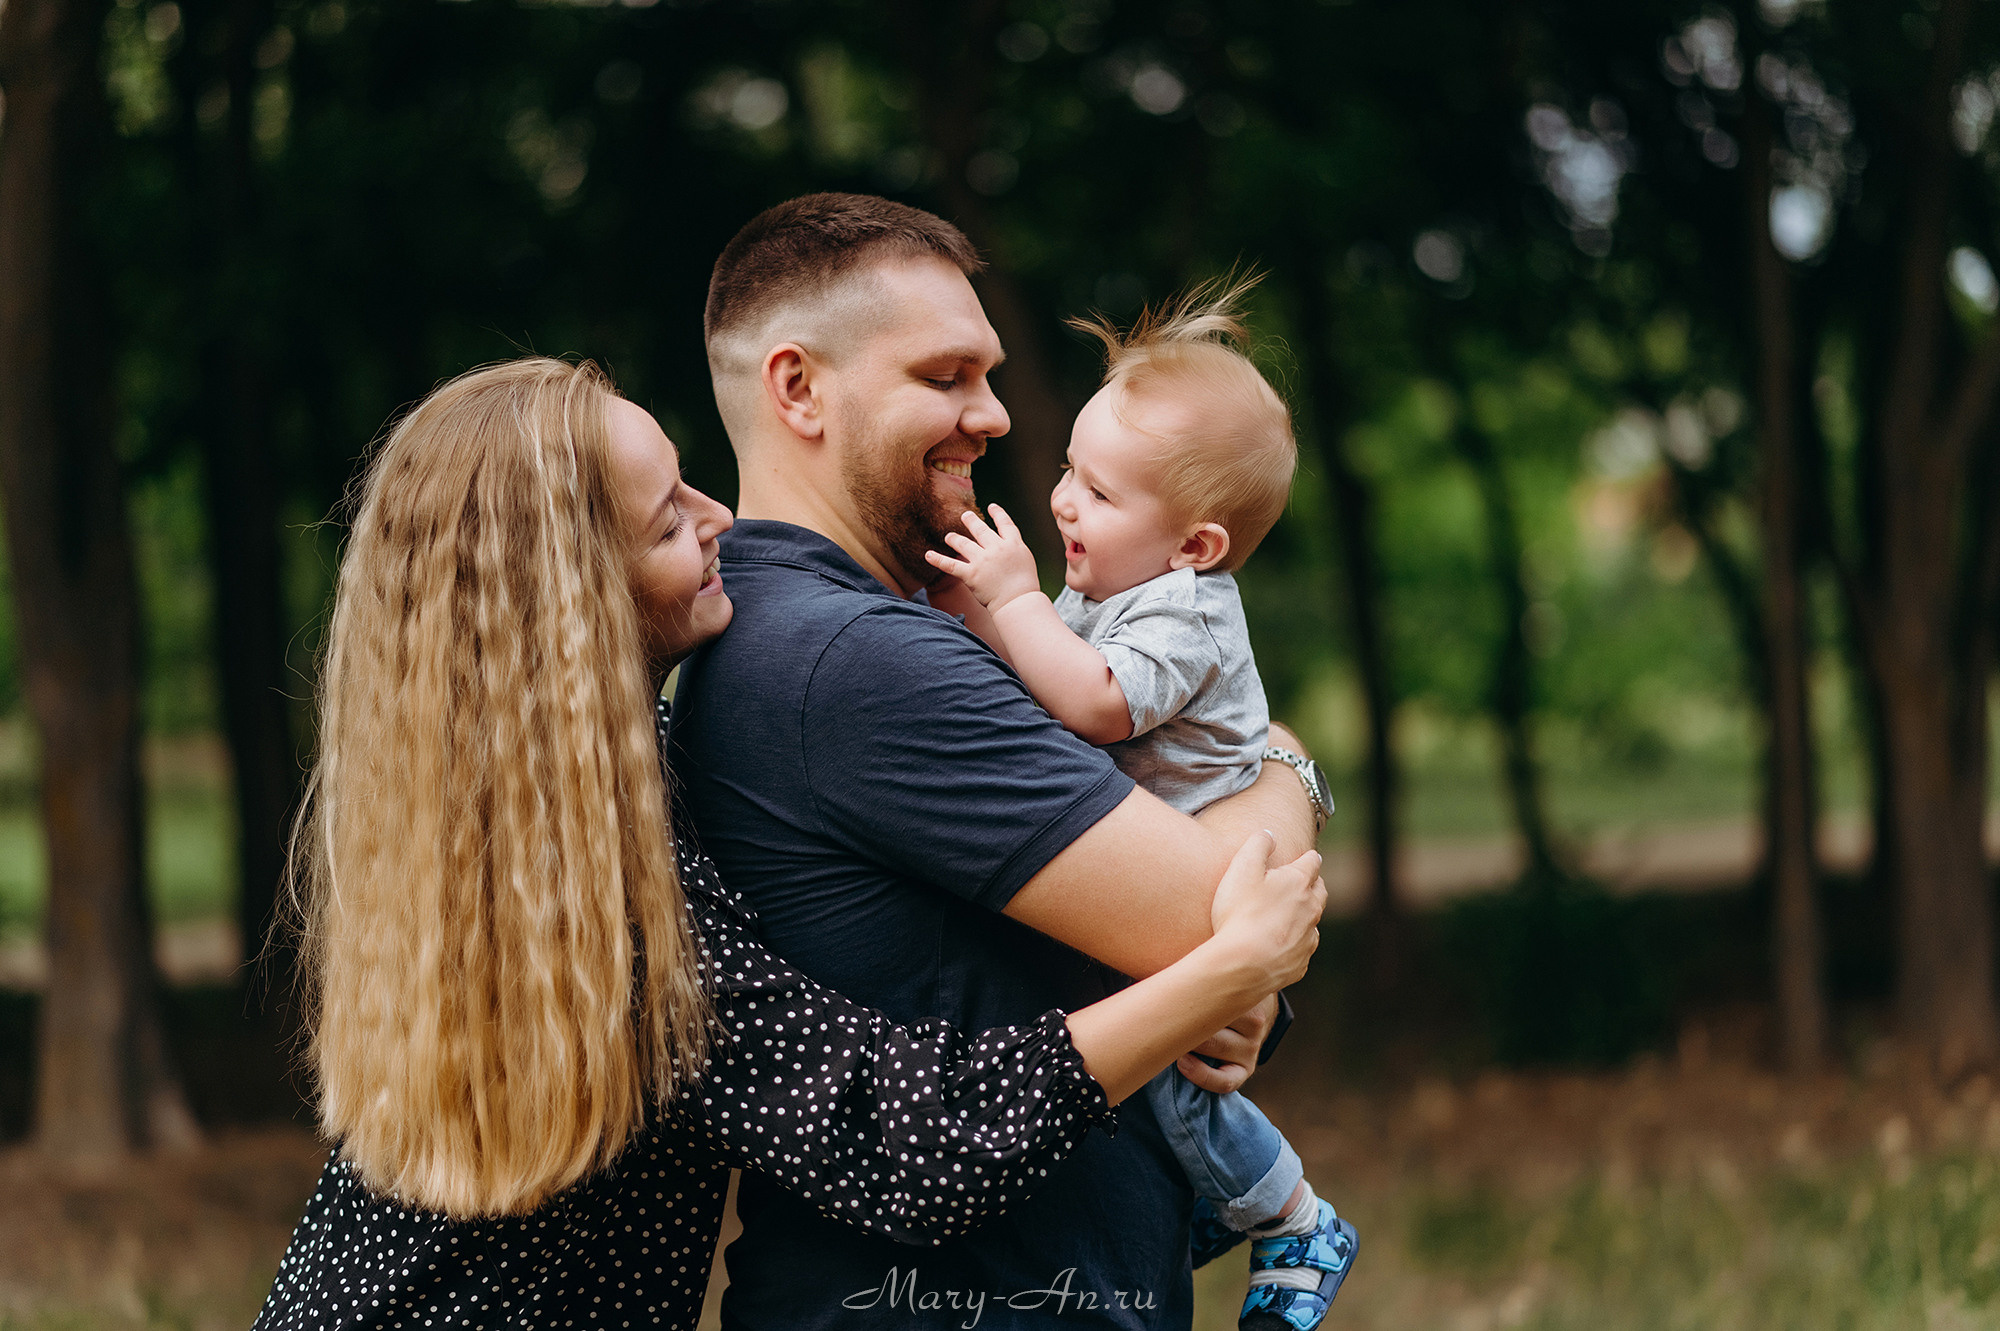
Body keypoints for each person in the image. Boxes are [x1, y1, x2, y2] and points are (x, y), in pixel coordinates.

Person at [251, 358, 1327, 1330]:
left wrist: (1278, 761)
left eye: (689, 484)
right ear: (571, 605)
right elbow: (906, 1142)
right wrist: (1227, 966)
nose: (719, 515)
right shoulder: (588, 897)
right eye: (668, 522)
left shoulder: (574, 799)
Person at [672, 194, 1329, 1328]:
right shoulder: (855, 659)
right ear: (799, 389)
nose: (992, 414)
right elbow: (1222, 920)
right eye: (945, 376)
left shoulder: (842, 628)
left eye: (987, 374)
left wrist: (1271, 790)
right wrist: (1288, 779)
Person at [926, 274, 1356, 1331]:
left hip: (1196, 867)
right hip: (1163, 856)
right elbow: (1035, 674)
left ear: (1194, 545)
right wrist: (979, 618)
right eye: (1068, 471)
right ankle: (1223, 1194)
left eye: (1100, 492)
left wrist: (1011, 599)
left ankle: (1293, 1213)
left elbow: (1090, 703)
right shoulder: (1114, 587)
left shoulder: (1184, 614)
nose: (1064, 501)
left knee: (1167, 1065)